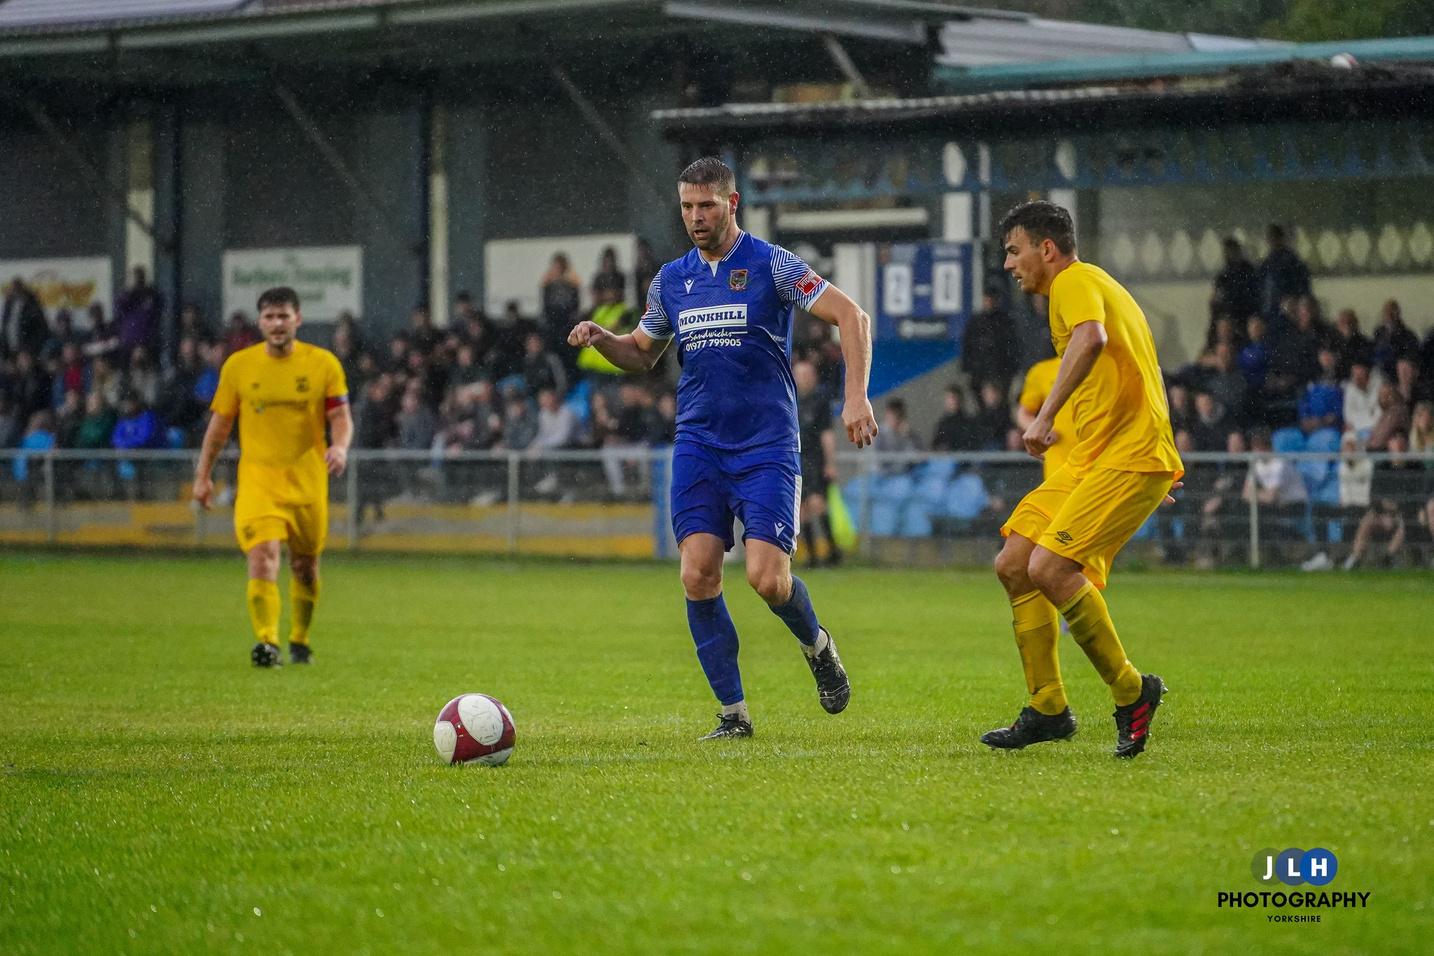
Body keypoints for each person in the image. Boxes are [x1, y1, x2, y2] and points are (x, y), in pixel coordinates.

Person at [567, 156, 878, 740]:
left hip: (766, 446)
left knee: (767, 579)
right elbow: (642, 352)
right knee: (697, 574)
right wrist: (604, 339)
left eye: (706, 205)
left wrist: (855, 396)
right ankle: (734, 715)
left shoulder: (773, 265)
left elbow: (851, 316)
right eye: (686, 206)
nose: (695, 217)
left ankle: (817, 645)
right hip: (699, 444)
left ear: (732, 203)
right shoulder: (670, 280)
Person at [984, 200, 1182, 759]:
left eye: (1014, 251)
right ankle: (1048, 707)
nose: (1008, 264)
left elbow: (1091, 339)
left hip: (1122, 456)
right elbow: (1133, 368)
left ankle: (1132, 691)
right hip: (1100, 457)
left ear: (1046, 249)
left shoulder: (1072, 282)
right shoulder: (1095, 285)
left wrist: (1045, 416)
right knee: (1015, 563)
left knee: (1050, 567)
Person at [192, 287, 352, 668]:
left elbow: (340, 417)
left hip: (308, 483)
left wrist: (341, 446)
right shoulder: (239, 367)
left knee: (305, 567)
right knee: (263, 556)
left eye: (284, 316)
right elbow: (219, 426)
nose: (277, 323)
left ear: (298, 319)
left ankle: (300, 640)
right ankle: (268, 642)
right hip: (258, 483)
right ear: (260, 322)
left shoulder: (323, 364)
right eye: (269, 316)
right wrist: (202, 475)